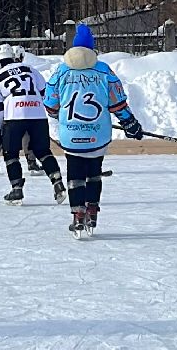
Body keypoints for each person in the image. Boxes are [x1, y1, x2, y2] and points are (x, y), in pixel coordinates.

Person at [44, 24, 142, 236]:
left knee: (75, 174)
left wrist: (56, 115)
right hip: (98, 134)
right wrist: (130, 123)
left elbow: (50, 103)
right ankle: (92, 210)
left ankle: (77, 214)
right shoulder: (104, 70)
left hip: (71, 135)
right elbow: (117, 103)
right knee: (93, 172)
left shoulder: (61, 71)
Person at [0, 44, 65, 203]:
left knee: (11, 154)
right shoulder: (30, 69)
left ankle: (16, 189)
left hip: (14, 117)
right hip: (37, 115)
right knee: (43, 151)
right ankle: (57, 183)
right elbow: (45, 92)